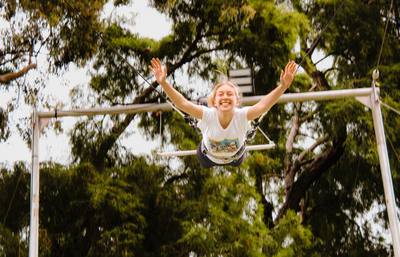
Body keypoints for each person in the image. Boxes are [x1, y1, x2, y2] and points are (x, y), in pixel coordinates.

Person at [149, 58, 298, 169]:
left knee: (237, 162)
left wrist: (283, 86)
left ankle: (207, 98)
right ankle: (204, 100)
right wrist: (163, 83)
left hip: (235, 158)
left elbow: (264, 105)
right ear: (214, 101)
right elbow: (182, 104)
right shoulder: (208, 115)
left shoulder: (242, 115)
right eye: (220, 94)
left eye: (229, 94)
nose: (225, 97)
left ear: (237, 100)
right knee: (204, 161)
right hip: (207, 157)